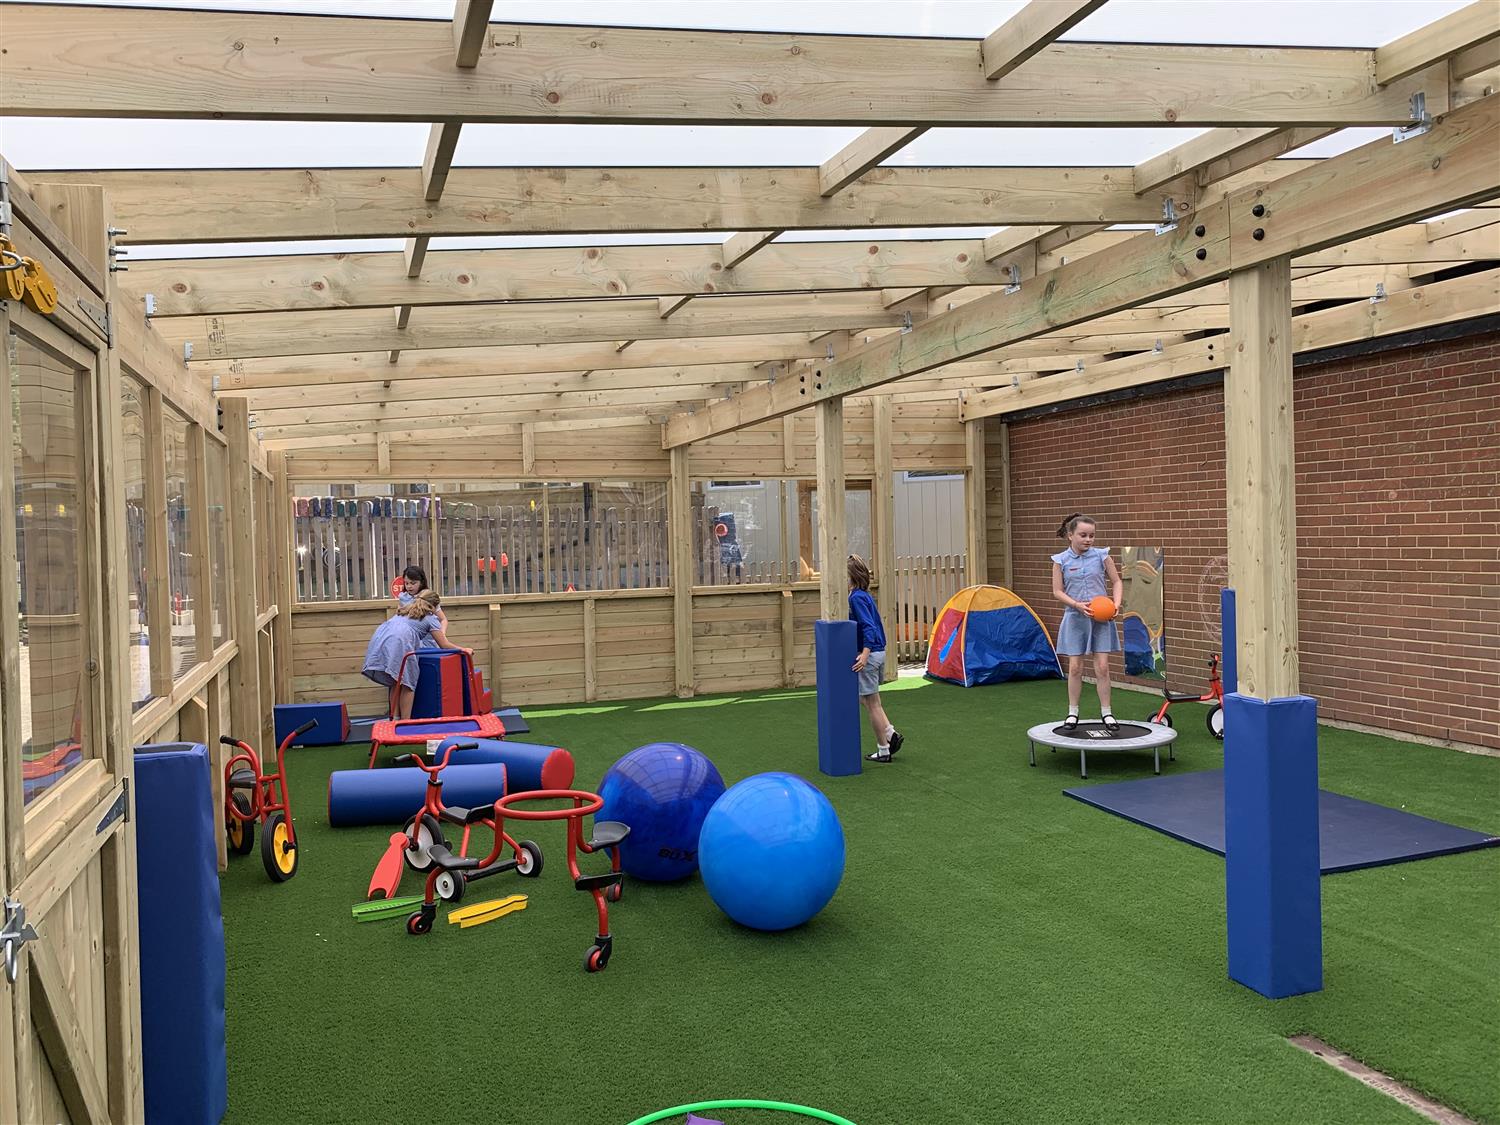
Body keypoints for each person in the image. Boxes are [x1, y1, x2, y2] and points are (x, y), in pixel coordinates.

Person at [1050, 513, 1125, 732]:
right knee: (1075, 668)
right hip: (1075, 618)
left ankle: (1107, 713)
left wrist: (1116, 604)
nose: (1088, 539)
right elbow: (1057, 591)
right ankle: (1073, 712)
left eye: (1092, 535)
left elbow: (1117, 581)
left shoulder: (1102, 556)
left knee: (1102, 667)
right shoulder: (1060, 561)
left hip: (1101, 619)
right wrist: (1076, 605)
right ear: (1070, 535)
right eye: (1083, 535)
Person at [362, 589, 470, 719]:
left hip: (381, 638)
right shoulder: (430, 618)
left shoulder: (405, 611)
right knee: (408, 683)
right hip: (399, 641)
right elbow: (444, 645)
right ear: (435, 607)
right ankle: (405, 722)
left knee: (395, 681)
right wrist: (463, 649)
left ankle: (394, 719)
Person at [848, 555, 904, 763]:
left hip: (871, 654)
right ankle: (890, 734)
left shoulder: (856, 598)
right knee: (870, 700)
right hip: (879, 651)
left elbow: (869, 627)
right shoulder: (864, 595)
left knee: (871, 703)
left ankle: (884, 748)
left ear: (851, 576)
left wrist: (864, 653)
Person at [395, 565, 448, 629]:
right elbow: (398, 618)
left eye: (413, 583)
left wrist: (442, 633)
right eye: (406, 583)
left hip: (429, 637)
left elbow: (443, 620)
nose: (409, 586)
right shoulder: (403, 598)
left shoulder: (428, 597)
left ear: (422, 582)